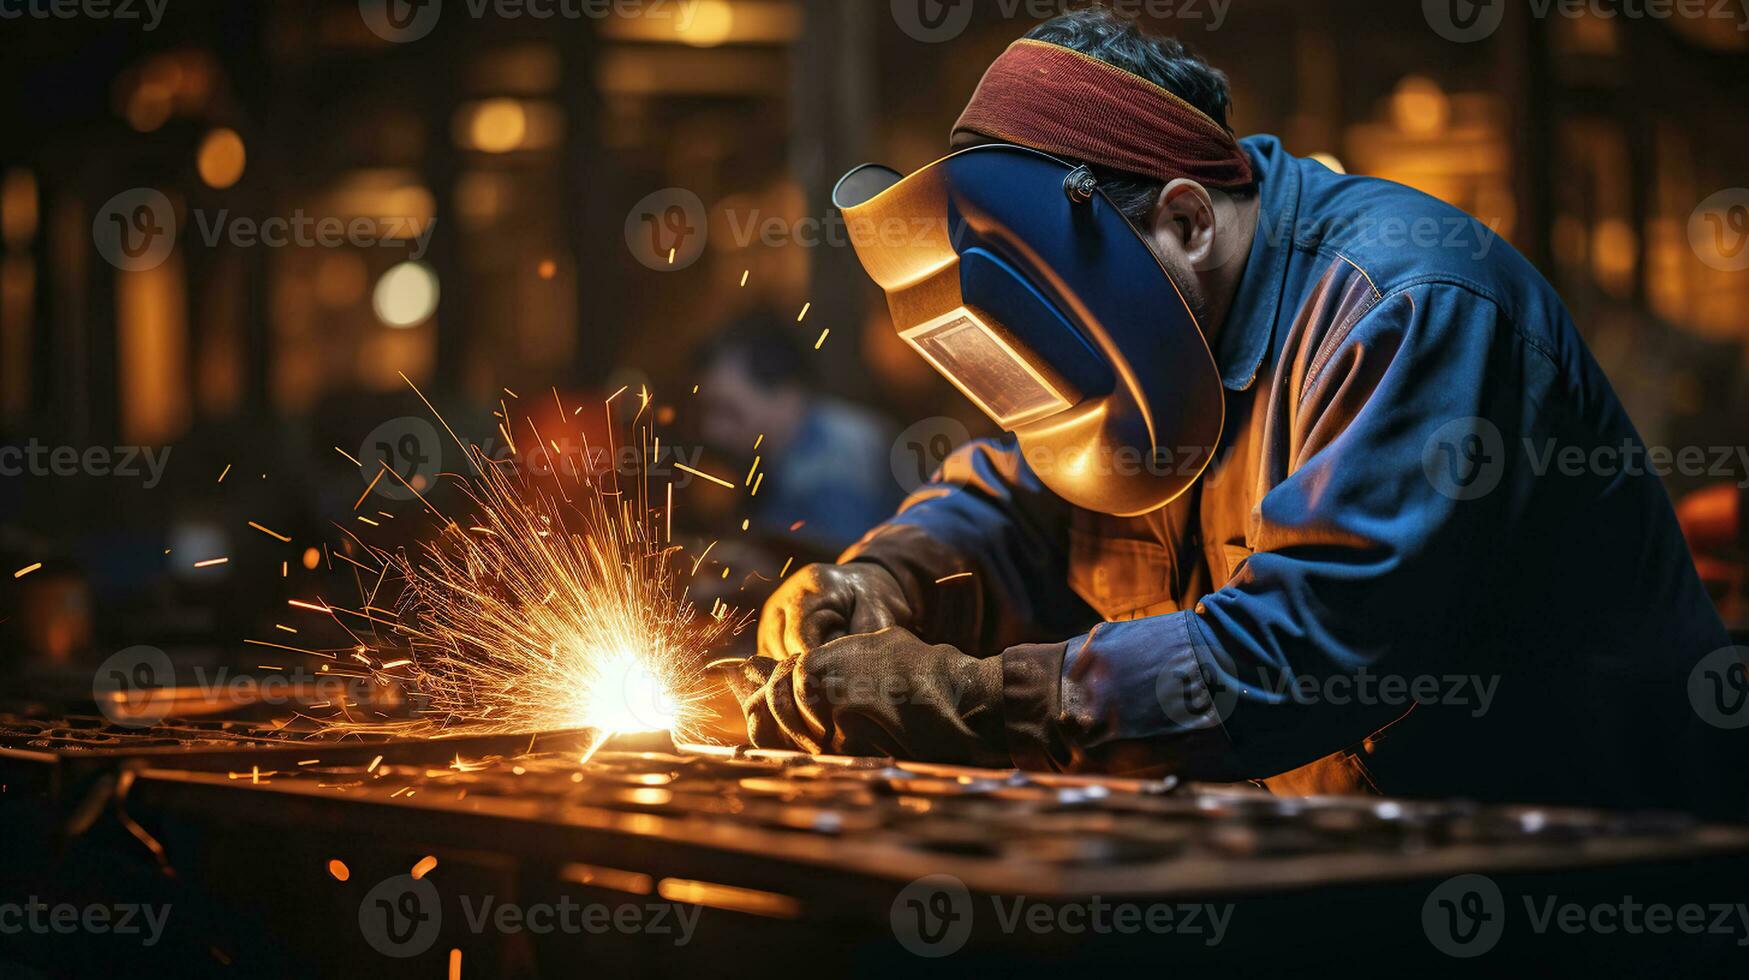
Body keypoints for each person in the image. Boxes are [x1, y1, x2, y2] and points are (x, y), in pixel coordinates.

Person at [728, 7, 1748, 818]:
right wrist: (885, 579)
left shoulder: (1407, 306)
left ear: (1183, 218)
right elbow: (1021, 492)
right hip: (1358, 865)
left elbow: (1301, 654)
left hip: (1596, 873)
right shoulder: (1148, 350)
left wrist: (963, 697)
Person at [693, 311, 902, 554]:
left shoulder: (837, 456)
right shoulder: (783, 454)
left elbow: (835, 571)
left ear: (786, 394)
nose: (712, 431)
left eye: (729, 411)